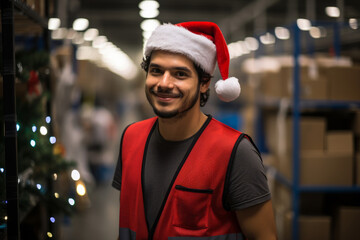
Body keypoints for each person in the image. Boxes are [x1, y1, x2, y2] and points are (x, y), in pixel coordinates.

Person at [112, 21, 277, 240]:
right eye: (156, 71)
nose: (164, 83)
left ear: (204, 83)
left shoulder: (235, 153)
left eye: (180, 74)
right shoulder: (131, 138)